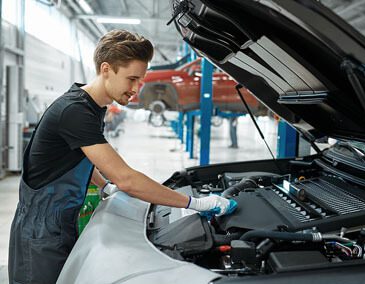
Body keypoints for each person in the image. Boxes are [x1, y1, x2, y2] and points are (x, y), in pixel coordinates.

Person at [8, 29, 233, 284]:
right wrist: (194, 203)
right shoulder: (75, 112)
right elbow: (126, 178)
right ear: (106, 69)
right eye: (132, 79)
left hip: (60, 225)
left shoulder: (92, 108)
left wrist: (105, 186)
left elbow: (74, 160)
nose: (137, 88)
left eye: (141, 80)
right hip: (40, 232)